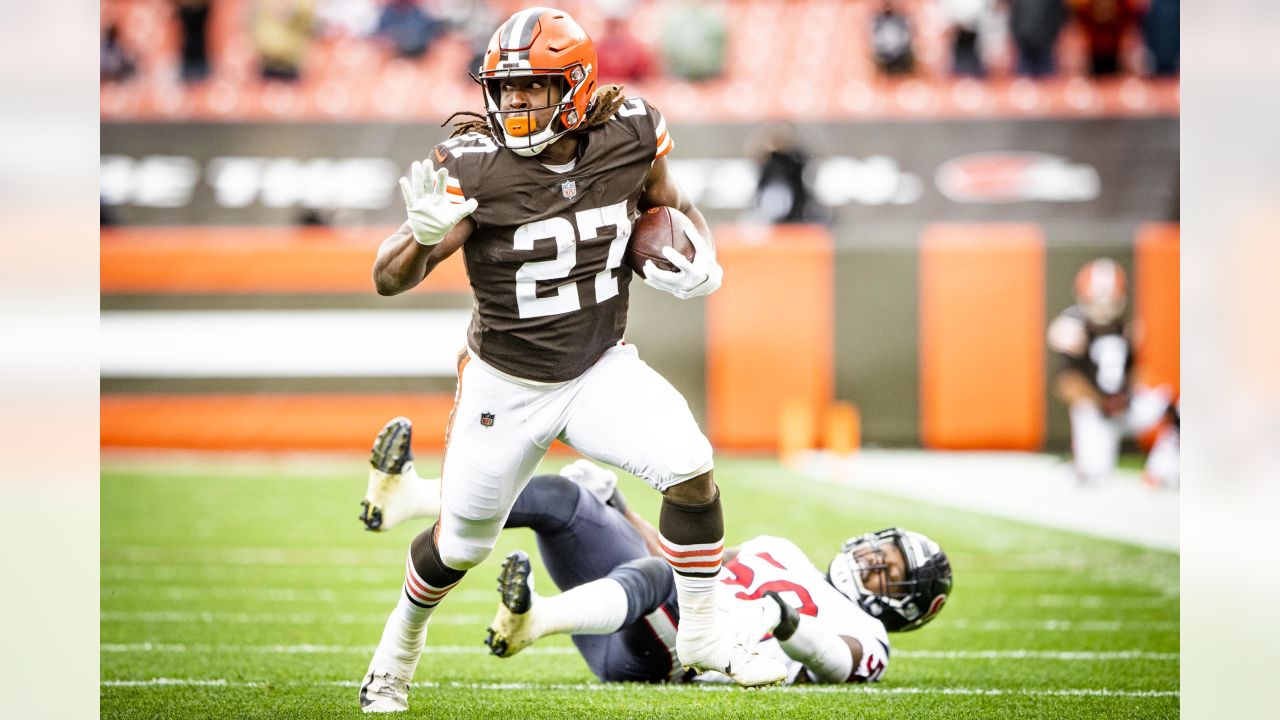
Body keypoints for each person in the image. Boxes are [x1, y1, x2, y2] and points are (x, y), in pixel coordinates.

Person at [359, 8, 777, 712]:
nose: (514, 102)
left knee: (690, 466)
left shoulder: (631, 132)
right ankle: (396, 653)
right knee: (460, 544)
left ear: (576, 88)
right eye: (505, 88)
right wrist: (418, 243)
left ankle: (703, 635)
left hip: (597, 366)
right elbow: (386, 278)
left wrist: (701, 259)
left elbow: (668, 205)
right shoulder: (474, 166)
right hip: (506, 380)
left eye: (532, 87)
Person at [359, 418, 953, 685]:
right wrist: (620, 507)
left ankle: (536, 619)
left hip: (668, 656)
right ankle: (411, 497)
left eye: (891, 573)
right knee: (567, 497)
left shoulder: (869, 639)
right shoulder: (782, 550)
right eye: (883, 551)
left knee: (671, 581)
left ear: (909, 606)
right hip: (639, 603)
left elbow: (836, 662)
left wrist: (783, 619)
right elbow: (692, 558)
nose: (875, 563)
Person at [1047, 259, 1179, 486]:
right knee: (1094, 476)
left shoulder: (1125, 327)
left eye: (1109, 301)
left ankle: (1163, 468)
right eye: (1097, 301)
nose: (1103, 308)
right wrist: (1101, 402)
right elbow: (1065, 382)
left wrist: (1127, 395)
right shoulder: (1072, 326)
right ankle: (1076, 466)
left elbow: (1132, 373)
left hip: (1125, 405)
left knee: (1177, 408)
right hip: (1097, 412)